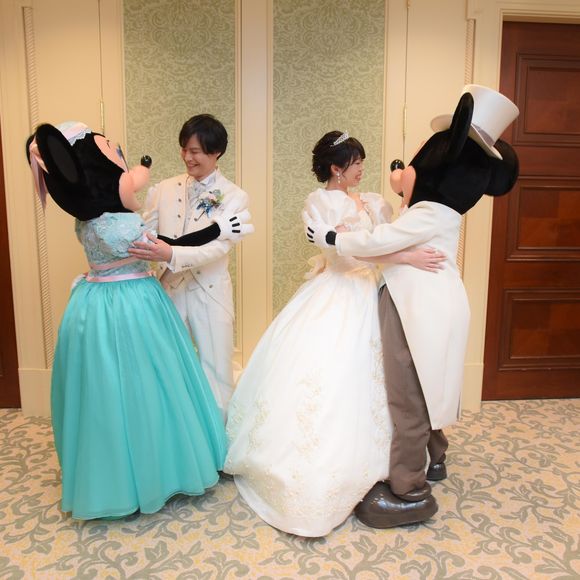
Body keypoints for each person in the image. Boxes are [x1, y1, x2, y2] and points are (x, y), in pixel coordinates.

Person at [304, 85, 520, 528]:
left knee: (408, 398)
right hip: (425, 304)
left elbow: (378, 239)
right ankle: (435, 456)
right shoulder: (434, 210)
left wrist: (331, 238)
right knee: (425, 387)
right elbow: (393, 234)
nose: (400, 171)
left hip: (416, 309)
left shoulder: (429, 212)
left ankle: (408, 489)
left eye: (412, 164)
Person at [224, 131, 445, 537]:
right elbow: (343, 250)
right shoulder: (320, 202)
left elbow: (389, 235)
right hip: (340, 290)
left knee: (392, 376)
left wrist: (406, 224)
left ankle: (402, 461)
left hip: (376, 291)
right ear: (336, 168)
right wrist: (405, 256)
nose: (362, 169)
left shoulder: (375, 202)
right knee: (327, 375)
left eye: (361, 162)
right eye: (356, 163)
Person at [26, 121, 234, 520]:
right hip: (132, 302)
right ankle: (154, 469)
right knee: (146, 385)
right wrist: (215, 230)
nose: (135, 173)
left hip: (97, 300)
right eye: (117, 162)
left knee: (109, 389)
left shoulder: (89, 220)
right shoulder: (121, 223)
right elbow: (160, 244)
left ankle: (112, 472)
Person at [129, 114, 251, 420]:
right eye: (184, 149)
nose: (187, 157)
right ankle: (177, 435)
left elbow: (218, 247)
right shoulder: (163, 189)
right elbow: (147, 231)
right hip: (168, 291)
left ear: (216, 152)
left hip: (210, 291)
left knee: (216, 371)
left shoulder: (234, 196)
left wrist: (171, 253)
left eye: (195, 151)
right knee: (167, 367)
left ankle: (217, 439)